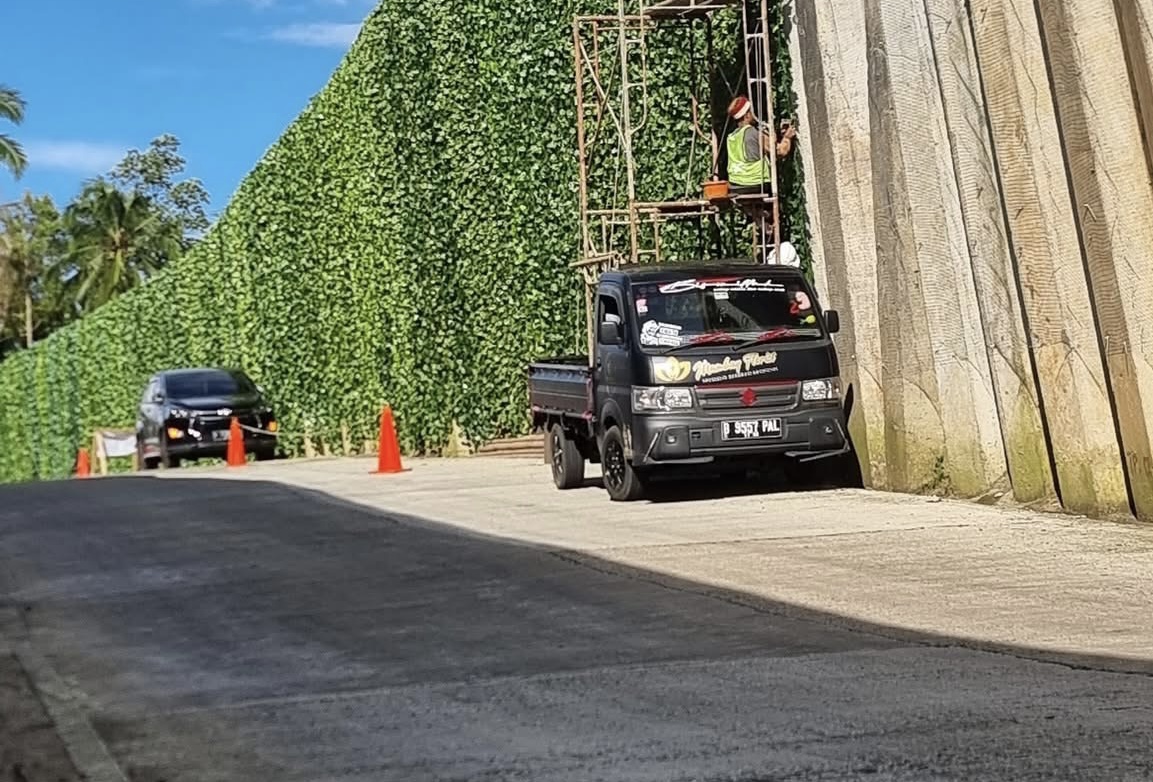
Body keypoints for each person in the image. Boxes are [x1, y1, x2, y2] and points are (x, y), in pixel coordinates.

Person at [725, 95, 797, 191]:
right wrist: (787, 138)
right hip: (755, 183)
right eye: (751, 111)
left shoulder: (731, 137)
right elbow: (779, 151)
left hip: (735, 184)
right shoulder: (753, 133)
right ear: (747, 115)